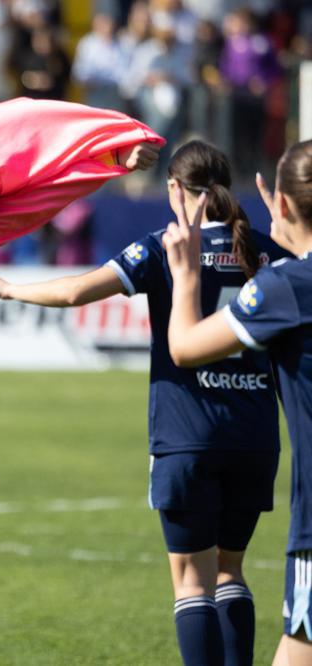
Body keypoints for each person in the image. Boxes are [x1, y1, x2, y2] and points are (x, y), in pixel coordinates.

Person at [0, 140, 286, 666]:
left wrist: (5, 289)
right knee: (232, 571)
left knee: (191, 582)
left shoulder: (165, 245)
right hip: (255, 434)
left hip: (188, 435)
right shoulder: (260, 246)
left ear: (173, 190)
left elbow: (76, 292)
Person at [162, 140, 312, 666]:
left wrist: (185, 278)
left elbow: (184, 347)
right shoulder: (283, 269)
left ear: (286, 205)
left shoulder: (288, 284)